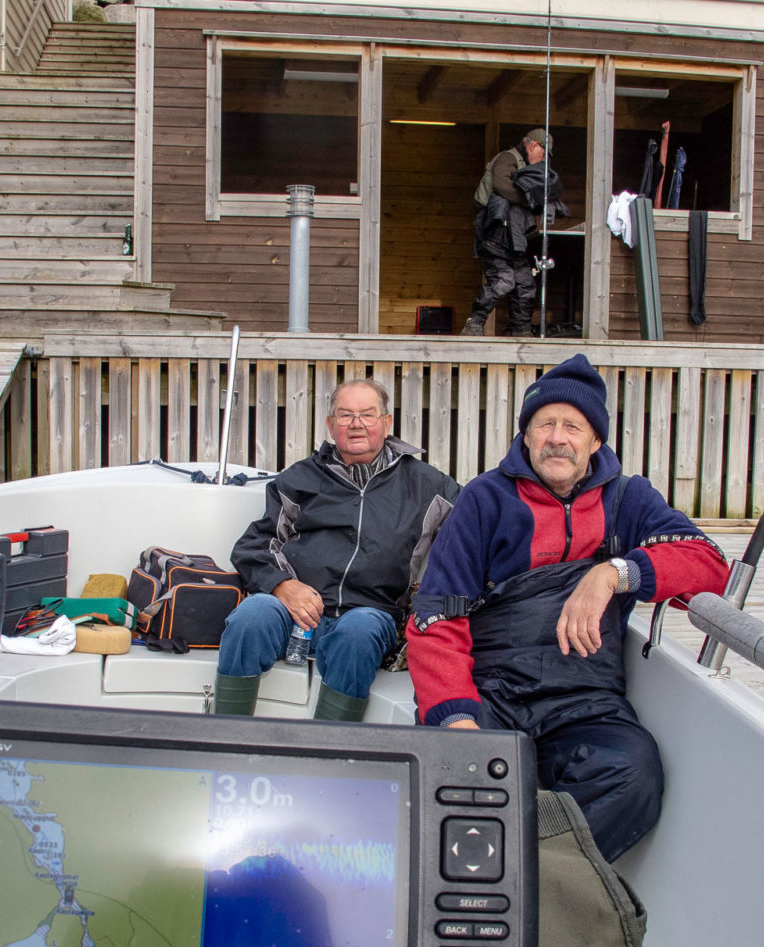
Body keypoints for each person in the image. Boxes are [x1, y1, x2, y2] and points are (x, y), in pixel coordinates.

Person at [405, 354, 729, 860]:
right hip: (493, 693)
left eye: (573, 426)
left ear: (595, 440)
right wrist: (457, 721)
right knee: (449, 781)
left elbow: (709, 564)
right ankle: (500, 872)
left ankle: (534, 880)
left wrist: (614, 573)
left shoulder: (630, 498)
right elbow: (435, 618)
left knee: (634, 775)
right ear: (527, 437)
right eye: (545, 424)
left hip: (586, 699)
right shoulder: (484, 499)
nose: (558, 437)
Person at [216, 379, 460, 721]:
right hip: (295, 613)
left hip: (371, 616)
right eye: (345, 415)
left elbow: (475, 528)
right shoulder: (299, 479)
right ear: (331, 425)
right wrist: (282, 585)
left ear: (387, 423)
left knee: (358, 633)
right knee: (251, 616)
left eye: (367, 415)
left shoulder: (428, 485)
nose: (356, 424)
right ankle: (225, 735)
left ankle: (330, 752)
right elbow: (254, 544)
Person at [461, 128, 564, 338]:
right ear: (533, 145)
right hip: (493, 235)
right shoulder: (508, 158)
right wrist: (530, 198)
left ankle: (521, 332)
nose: (543, 160)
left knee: (525, 283)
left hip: (513, 238)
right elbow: (501, 185)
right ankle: (474, 323)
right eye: (543, 154)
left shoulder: (526, 168)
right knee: (503, 280)